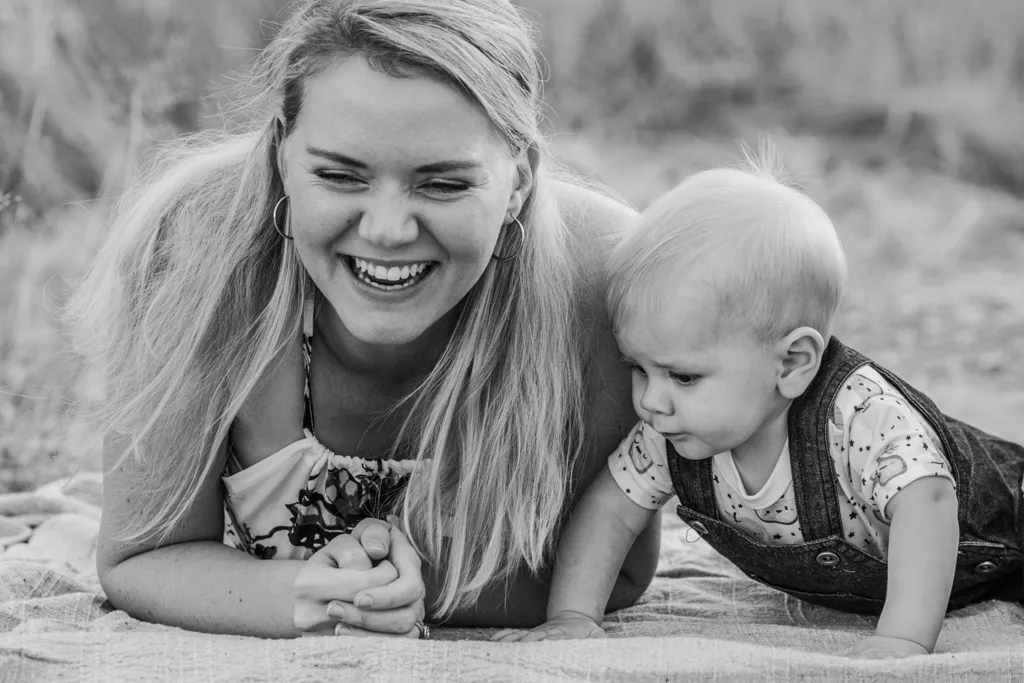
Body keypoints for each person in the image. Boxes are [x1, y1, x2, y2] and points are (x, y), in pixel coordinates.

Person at [70, 0, 660, 639]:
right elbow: (141, 553)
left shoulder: (604, 278)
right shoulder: (197, 253)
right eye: (339, 175)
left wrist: (415, 590)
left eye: (442, 185)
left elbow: (621, 573)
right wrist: (314, 595)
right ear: (280, 159)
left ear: (520, 180)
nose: (386, 230)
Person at [494, 152, 1024, 658]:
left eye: (683, 375)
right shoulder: (671, 432)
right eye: (639, 368)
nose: (651, 400)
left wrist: (905, 637)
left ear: (792, 363)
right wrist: (573, 615)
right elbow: (611, 508)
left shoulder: (862, 416)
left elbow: (927, 505)